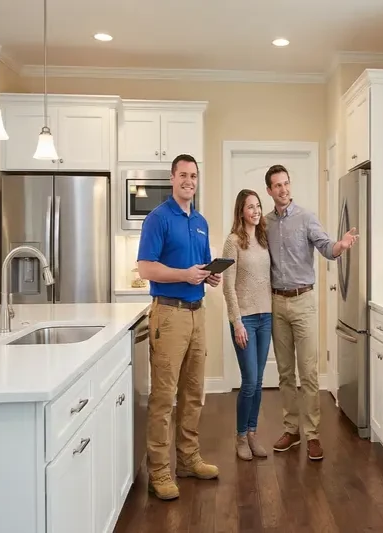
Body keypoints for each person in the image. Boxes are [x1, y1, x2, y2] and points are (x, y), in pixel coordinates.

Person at [136, 153, 221, 501]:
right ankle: (158, 471)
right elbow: (145, 268)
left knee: (193, 392)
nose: (189, 181)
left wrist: (208, 275)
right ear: (172, 178)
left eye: (193, 176)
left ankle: (187, 459)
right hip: (169, 315)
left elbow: (199, 265)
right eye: (183, 175)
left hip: (198, 312)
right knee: (163, 396)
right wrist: (184, 275)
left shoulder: (200, 221)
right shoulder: (157, 218)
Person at [264, 164, 358, 461]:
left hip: (303, 301)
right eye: (277, 185)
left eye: (286, 183)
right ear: (269, 191)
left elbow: (326, 248)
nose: (283, 189)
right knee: (285, 372)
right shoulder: (265, 223)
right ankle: (291, 430)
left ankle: (313, 434)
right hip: (276, 303)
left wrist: (341, 245)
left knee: (308, 371)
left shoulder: (306, 218)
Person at [221, 189, 272, 461]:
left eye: (258, 205)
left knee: (260, 381)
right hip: (246, 320)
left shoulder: (264, 239)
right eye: (250, 206)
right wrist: (237, 322)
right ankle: (240, 436)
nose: (255, 210)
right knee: (250, 381)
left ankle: (253, 433)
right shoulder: (233, 242)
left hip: (266, 317)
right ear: (241, 211)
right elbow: (228, 286)